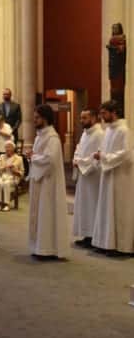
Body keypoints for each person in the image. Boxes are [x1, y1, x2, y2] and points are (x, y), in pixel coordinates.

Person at [26, 104, 70, 260]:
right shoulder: (40, 135)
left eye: (37, 117)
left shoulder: (52, 137)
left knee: (47, 214)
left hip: (49, 183)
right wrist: (33, 156)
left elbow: (50, 159)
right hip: (40, 180)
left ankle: (48, 249)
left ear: (44, 118)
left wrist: (33, 157)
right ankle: (39, 246)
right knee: (39, 214)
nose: (34, 120)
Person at [92, 100, 134, 256]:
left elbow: (126, 154)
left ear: (114, 112)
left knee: (119, 210)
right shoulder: (109, 130)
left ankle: (121, 247)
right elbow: (104, 150)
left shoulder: (124, 130)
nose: (102, 116)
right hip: (108, 174)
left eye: (104, 113)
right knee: (106, 208)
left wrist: (104, 156)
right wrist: (100, 156)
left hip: (121, 177)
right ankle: (106, 243)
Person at [71, 109, 104, 248]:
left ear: (94, 118)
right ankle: (86, 235)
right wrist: (76, 159)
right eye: (81, 117)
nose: (81, 120)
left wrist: (82, 164)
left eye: (84, 118)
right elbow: (78, 149)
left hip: (93, 176)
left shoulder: (100, 134)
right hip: (83, 176)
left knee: (93, 205)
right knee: (84, 206)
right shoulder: (85, 133)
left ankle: (94, 236)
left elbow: (98, 156)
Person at [0, 142, 24, 211]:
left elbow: (22, 172)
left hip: (13, 177)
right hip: (2, 175)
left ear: (13, 149)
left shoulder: (19, 158)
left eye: (9, 147)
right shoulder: (2, 156)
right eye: (6, 147)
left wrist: (15, 171)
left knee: (6, 183)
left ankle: (6, 204)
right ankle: (0, 204)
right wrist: (4, 167)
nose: (7, 149)